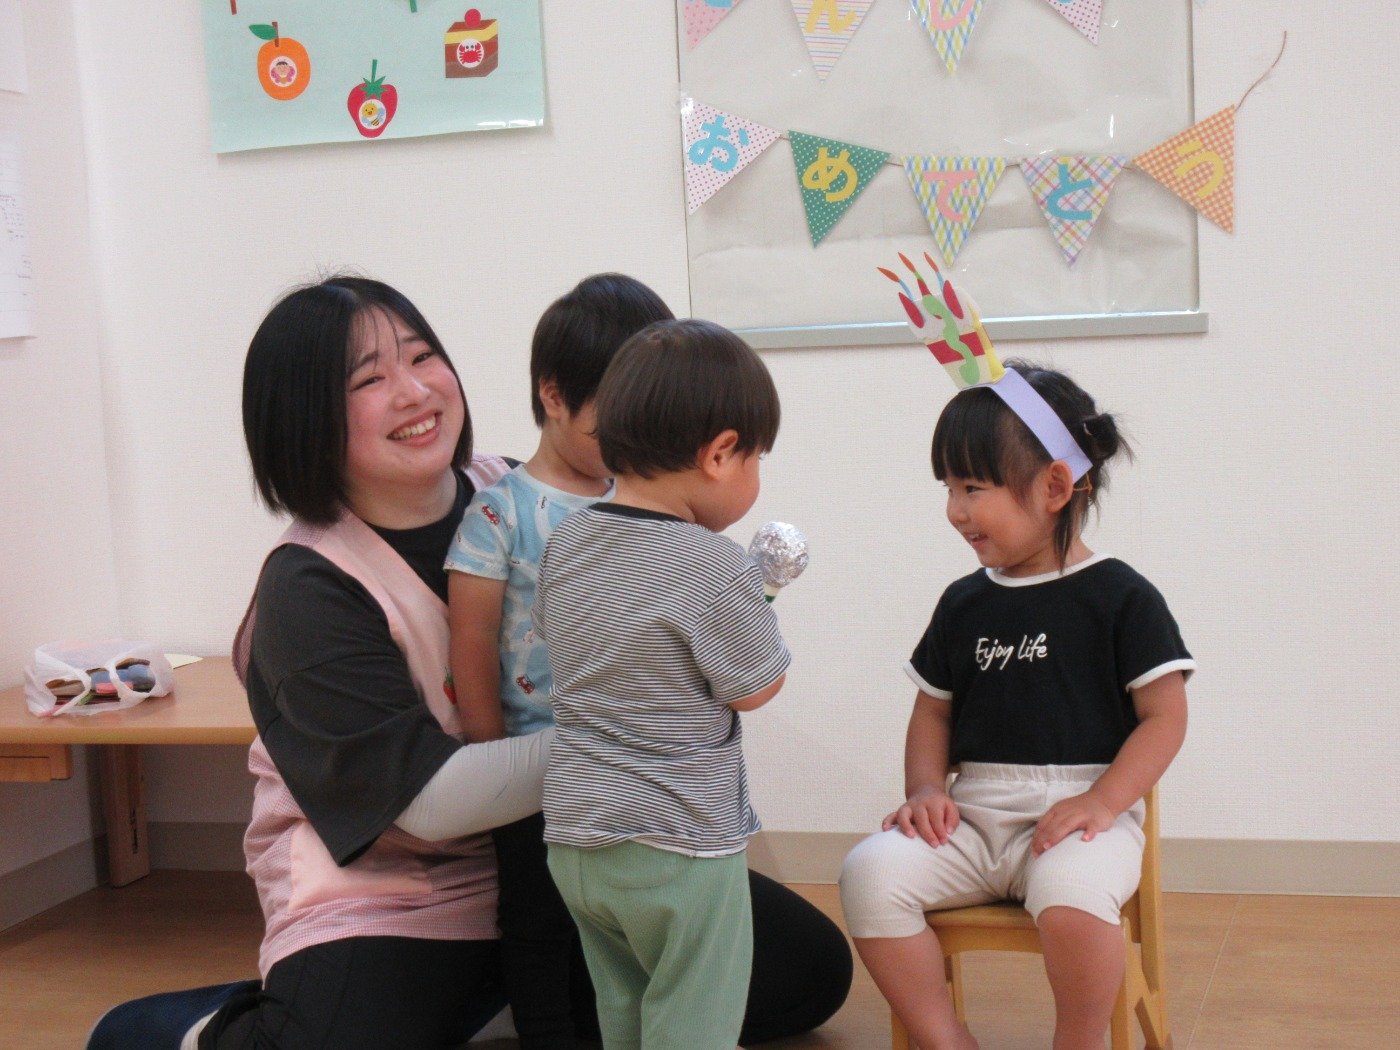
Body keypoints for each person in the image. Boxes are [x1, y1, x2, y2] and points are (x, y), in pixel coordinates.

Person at [85, 276, 851, 1050]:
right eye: (369, 379)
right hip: (399, 893)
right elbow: (429, 805)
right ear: (305, 418)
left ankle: (506, 1005)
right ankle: (187, 1030)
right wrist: (636, 736)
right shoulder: (307, 588)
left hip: (575, 844)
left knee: (805, 970)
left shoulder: (515, 491)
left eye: (423, 356)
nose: (415, 391)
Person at [839, 361, 1193, 1050]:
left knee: (1074, 898)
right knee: (869, 875)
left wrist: (1104, 802)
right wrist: (924, 790)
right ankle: (946, 1037)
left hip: (1080, 819)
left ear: (1055, 486)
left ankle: (1078, 1040)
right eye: (948, 489)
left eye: (973, 487)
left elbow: (1166, 717)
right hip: (972, 819)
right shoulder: (964, 602)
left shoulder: (1121, 596)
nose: (955, 510)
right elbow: (932, 711)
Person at [534, 318, 790, 1050]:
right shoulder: (715, 564)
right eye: (756, 458)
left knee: (624, 1007)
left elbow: (565, 640)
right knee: (696, 1015)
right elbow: (754, 688)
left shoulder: (569, 538)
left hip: (576, 835)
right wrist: (760, 598)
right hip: (678, 840)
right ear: (720, 453)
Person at [443, 274, 672, 1048]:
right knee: (538, 924)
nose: (637, 441)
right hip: (532, 774)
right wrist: (490, 755)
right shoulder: (501, 510)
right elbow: (471, 641)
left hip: (632, 767)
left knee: (622, 922)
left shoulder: (646, 503)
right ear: (553, 396)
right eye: (618, 420)